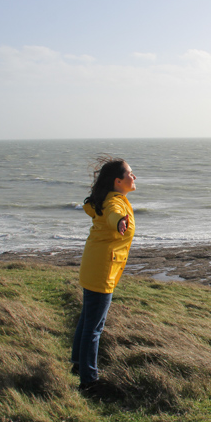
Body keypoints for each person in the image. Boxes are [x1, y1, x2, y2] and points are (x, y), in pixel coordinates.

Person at [71, 156, 136, 392]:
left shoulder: (109, 198)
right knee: (94, 327)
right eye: (130, 174)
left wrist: (118, 220)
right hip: (102, 270)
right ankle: (89, 381)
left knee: (87, 319)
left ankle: (79, 365)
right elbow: (113, 214)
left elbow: (111, 211)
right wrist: (120, 222)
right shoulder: (114, 203)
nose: (134, 177)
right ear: (118, 181)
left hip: (94, 264)